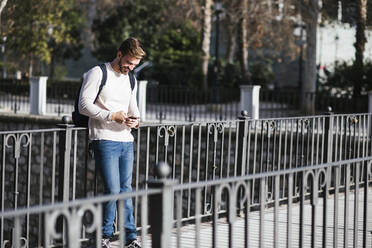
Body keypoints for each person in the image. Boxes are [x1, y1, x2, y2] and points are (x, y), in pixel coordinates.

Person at [79, 37, 145, 248]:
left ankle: (130, 237)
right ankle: (104, 236)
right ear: (119, 54)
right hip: (104, 139)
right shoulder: (98, 73)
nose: (131, 67)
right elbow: (83, 105)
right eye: (129, 63)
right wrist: (111, 116)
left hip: (126, 139)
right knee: (112, 190)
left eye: (135, 65)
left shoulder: (130, 78)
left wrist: (135, 120)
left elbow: (133, 107)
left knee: (125, 189)